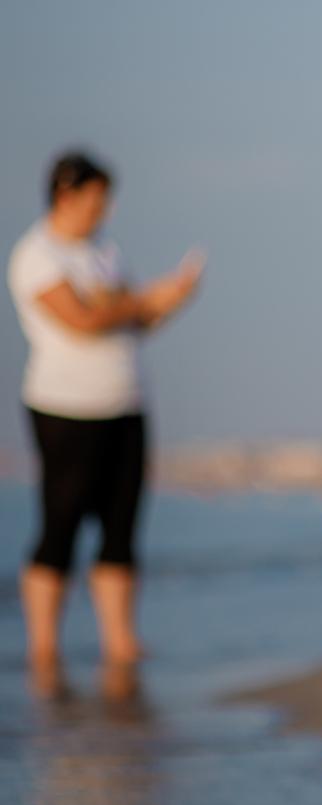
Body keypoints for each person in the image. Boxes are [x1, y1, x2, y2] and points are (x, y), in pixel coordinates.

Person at [7, 151, 203, 694]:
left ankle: (120, 641)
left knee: (122, 526)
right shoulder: (36, 255)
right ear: (66, 195)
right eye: (96, 197)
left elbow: (134, 322)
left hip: (127, 403)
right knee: (60, 522)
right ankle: (43, 647)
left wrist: (171, 301)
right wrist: (142, 300)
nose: (104, 209)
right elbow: (84, 320)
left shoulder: (105, 252)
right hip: (64, 408)